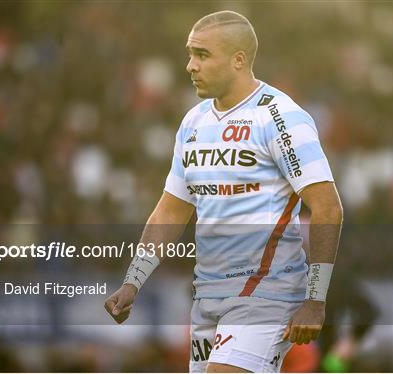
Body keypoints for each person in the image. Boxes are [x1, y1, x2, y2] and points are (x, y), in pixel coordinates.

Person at [105, 10, 343, 373]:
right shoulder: (193, 122)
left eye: (202, 55)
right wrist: (133, 281)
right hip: (208, 296)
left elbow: (328, 208)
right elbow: (170, 211)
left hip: (267, 293)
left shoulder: (281, 117)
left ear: (238, 60)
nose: (190, 66)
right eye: (189, 54)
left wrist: (315, 299)